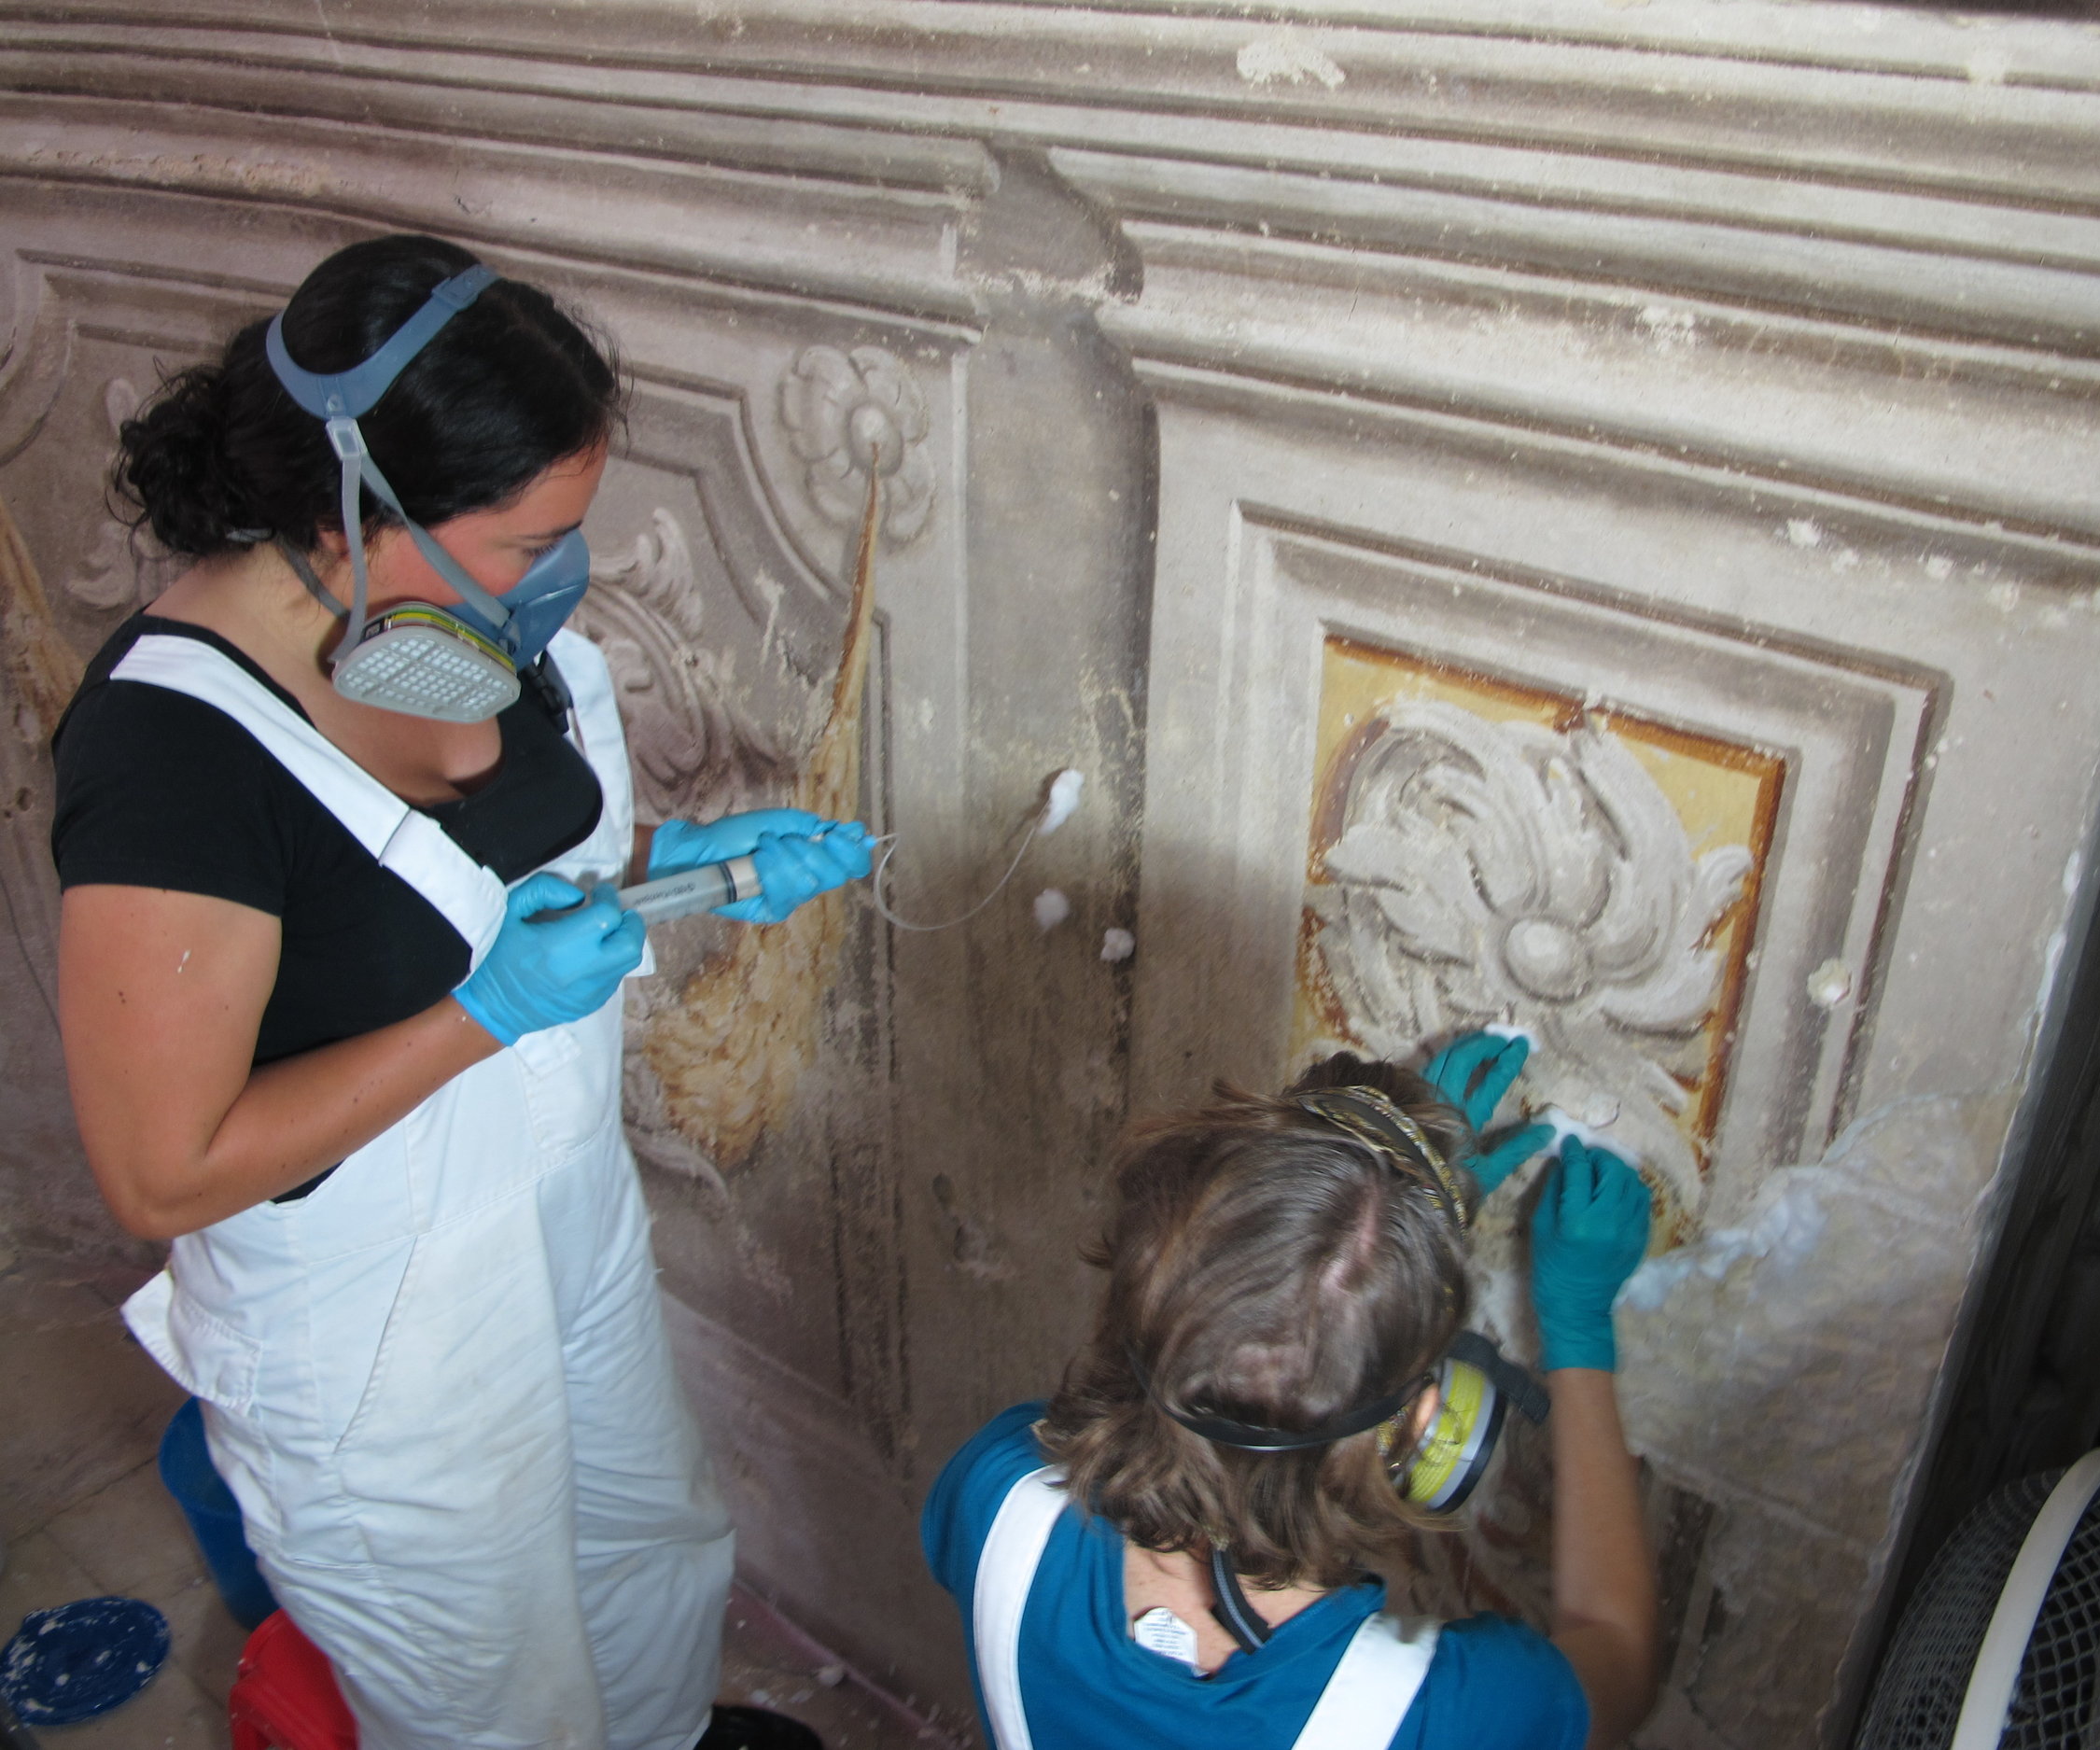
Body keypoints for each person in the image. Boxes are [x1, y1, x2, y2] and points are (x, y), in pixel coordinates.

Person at [49, 233, 870, 1750]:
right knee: (496, 1698)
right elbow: (162, 1167)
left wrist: (685, 861)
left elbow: (473, 869)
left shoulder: (460, 632)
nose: (560, 575)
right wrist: (479, 1014)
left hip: (559, 1214)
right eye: (521, 541)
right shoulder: (175, 765)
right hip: (375, 1329)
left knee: (651, 1545)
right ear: (351, 505)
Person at [921, 1033, 1659, 1750]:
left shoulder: (995, 1493)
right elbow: (1618, 1657)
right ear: (1426, 1428)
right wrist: (1579, 1332)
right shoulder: (1443, 1713)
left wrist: (1361, 1225)